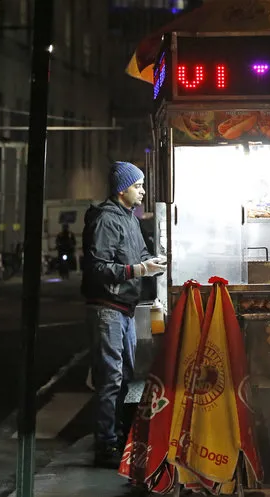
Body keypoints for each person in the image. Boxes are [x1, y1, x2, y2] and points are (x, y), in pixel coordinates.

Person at [82, 161, 165, 468]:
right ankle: (105, 446)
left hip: (124, 310)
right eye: (138, 186)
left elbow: (141, 256)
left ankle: (115, 437)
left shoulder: (129, 218)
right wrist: (137, 270)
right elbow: (97, 268)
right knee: (111, 379)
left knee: (124, 376)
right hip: (107, 309)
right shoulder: (106, 219)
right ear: (122, 189)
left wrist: (153, 262)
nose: (142, 191)